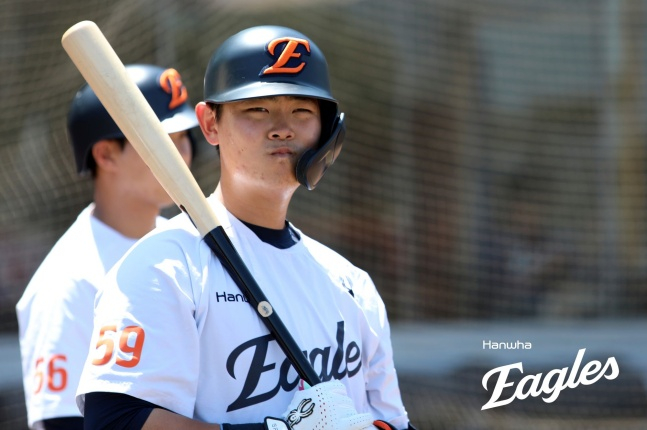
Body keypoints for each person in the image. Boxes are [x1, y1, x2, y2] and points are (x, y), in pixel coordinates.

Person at [76, 26, 416, 430]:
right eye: (257, 109)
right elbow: (115, 421)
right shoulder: (165, 267)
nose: (282, 128)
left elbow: (391, 421)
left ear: (328, 131)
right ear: (210, 124)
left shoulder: (351, 283)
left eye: (302, 111)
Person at [15, 64, 198, 430]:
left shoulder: (189, 246)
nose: (181, 154)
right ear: (106, 155)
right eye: (163, 139)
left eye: (183, 138)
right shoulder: (66, 282)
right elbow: (62, 423)